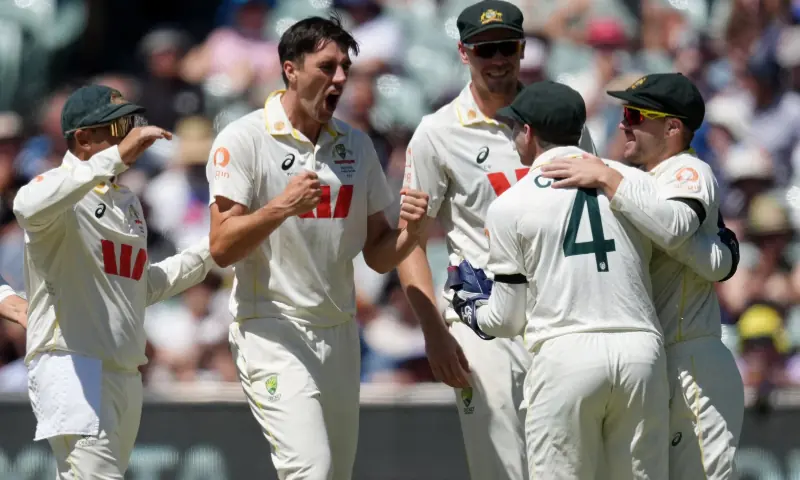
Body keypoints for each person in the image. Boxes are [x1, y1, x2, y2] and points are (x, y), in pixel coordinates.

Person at [205, 16, 429, 480]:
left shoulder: (357, 146)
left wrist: (411, 231)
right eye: (327, 67)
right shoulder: (243, 138)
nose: (341, 78)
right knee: (311, 470)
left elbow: (377, 253)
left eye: (345, 67)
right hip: (272, 330)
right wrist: (281, 207)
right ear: (290, 69)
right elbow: (222, 247)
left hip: (340, 334)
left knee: (334, 474)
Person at [396, 2, 596, 478]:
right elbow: (411, 242)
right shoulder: (437, 133)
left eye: (506, 47)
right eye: (485, 50)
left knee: (566, 463)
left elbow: (588, 214)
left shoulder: (558, 118)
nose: (498, 60)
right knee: (501, 463)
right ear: (464, 53)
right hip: (481, 315)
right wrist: (435, 332)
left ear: (522, 48)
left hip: (557, 313)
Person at [449, 80, 670, 479]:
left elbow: (507, 320)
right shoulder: (631, 180)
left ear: (529, 132)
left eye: (514, 127)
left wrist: (470, 308)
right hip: (641, 352)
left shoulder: (510, 204)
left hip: (565, 354)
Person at [539, 73, 744, 479]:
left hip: (691, 361)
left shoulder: (688, 169)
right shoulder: (639, 180)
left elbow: (673, 227)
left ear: (672, 128)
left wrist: (607, 176)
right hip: (649, 363)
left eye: (635, 115)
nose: (623, 125)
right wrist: (717, 254)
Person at [12, 84, 217, 480]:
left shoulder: (126, 201)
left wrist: (212, 251)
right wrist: (115, 157)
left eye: (130, 124)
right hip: (73, 363)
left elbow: (140, 287)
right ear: (84, 139)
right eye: (118, 127)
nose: (130, 135)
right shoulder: (57, 190)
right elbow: (26, 206)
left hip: (123, 368)